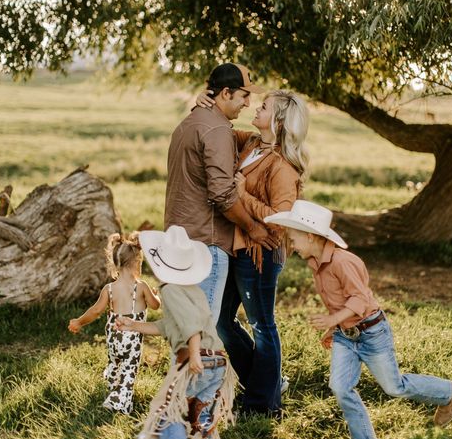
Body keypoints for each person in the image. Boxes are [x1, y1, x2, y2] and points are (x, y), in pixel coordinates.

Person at [264, 200, 452, 439]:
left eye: (294, 239)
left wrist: (331, 320)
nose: (292, 245)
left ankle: (450, 391)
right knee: (339, 387)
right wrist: (335, 327)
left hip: (372, 333)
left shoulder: (342, 261)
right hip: (346, 336)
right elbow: (339, 301)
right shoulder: (316, 263)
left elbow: (359, 299)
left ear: (310, 236)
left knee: (394, 387)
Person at [206, 89, 310, 418]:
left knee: (262, 326)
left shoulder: (283, 168)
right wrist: (207, 104)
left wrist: (242, 196)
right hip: (240, 247)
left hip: (262, 255)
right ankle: (265, 384)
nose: (255, 107)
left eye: (263, 106)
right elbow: (221, 128)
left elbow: (281, 222)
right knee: (222, 320)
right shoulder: (251, 144)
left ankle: (262, 405)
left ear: (278, 122)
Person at [115, 225, 237, 439]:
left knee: (165, 410)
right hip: (217, 362)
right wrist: (133, 325)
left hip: (198, 359)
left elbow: (191, 324)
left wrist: (193, 355)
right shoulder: (192, 289)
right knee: (202, 423)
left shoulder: (169, 290)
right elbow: (168, 326)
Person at [165, 62, 276, 323]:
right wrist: (253, 228)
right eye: (244, 95)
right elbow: (223, 195)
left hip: (178, 239)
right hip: (206, 243)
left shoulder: (190, 122)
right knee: (204, 335)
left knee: (184, 331)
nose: (248, 103)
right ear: (225, 93)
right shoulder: (217, 130)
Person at [68, 232, 161, 414]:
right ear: (137, 263)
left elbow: (95, 311)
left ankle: (112, 381)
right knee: (129, 370)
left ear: (116, 264)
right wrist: (156, 294)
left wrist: (79, 322)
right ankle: (118, 402)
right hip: (132, 339)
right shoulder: (141, 287)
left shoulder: (109, 289)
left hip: (114, 337)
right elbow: (155, 306)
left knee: (115, 362)